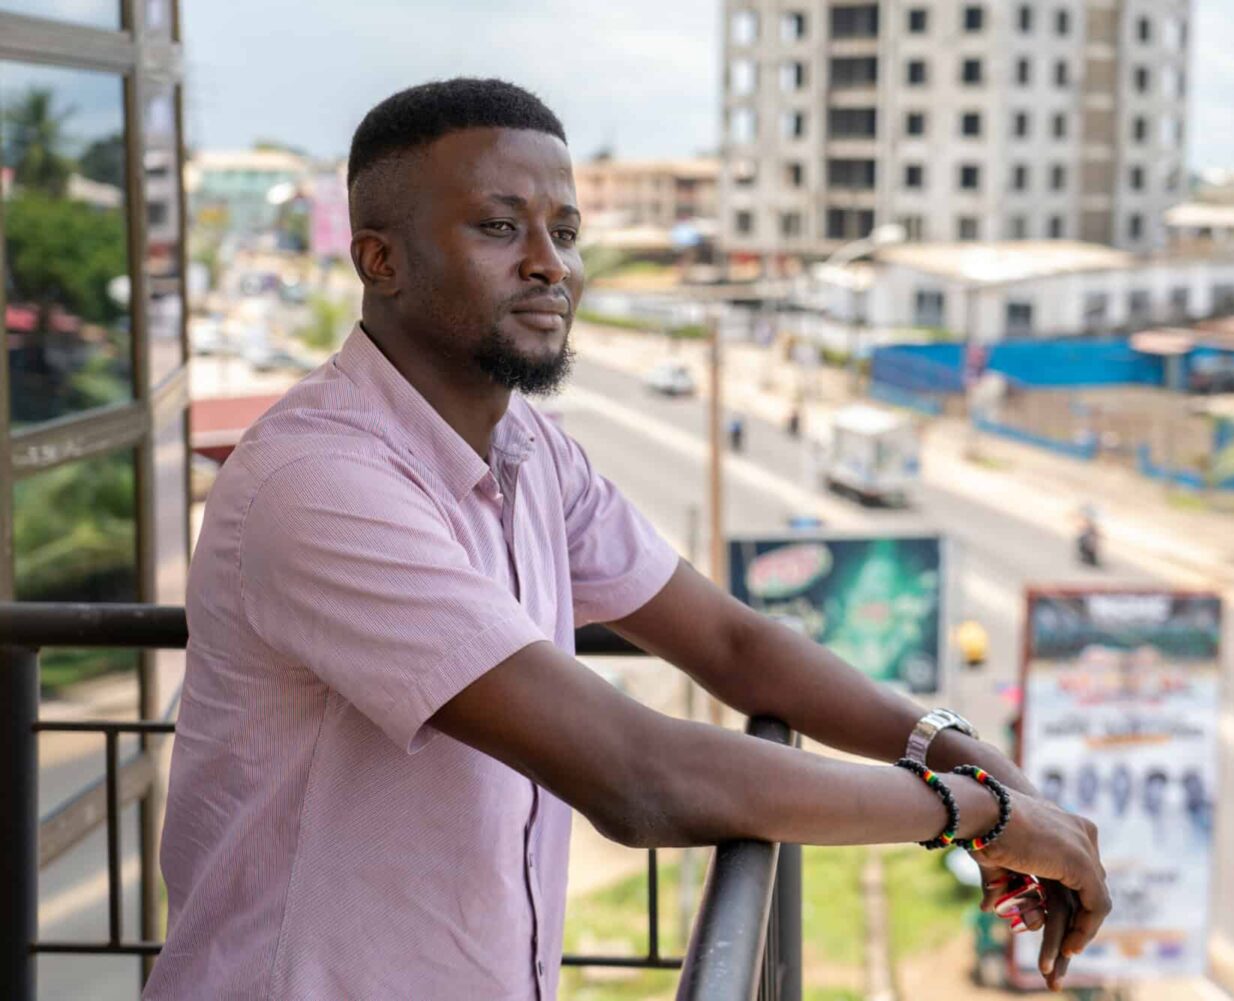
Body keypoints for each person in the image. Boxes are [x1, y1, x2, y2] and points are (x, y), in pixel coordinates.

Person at [144, 79, 1108, 1000]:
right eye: (499, 227)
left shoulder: (530, 449)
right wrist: (976, 813)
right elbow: (637, 777)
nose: (550, 264)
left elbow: (732, 642)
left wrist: (966, 753)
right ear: (379, 260)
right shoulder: (319, 483)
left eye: (564, 232)